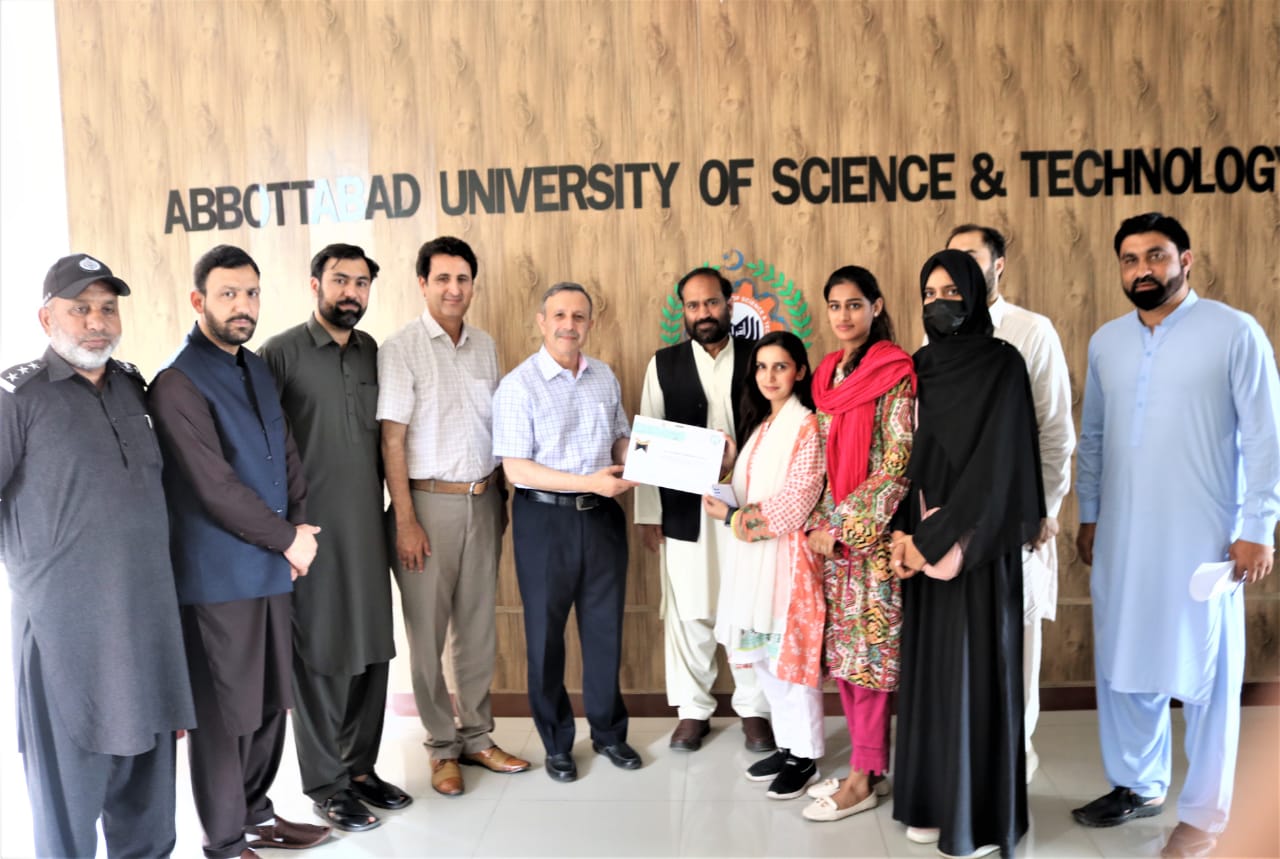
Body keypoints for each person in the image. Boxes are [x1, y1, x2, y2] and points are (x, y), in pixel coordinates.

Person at [1071, 213, 1280, 858]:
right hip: (1123, 532)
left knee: (1210, 673)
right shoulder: (1107, 342)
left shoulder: (1233, 331)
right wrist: (1089, 513)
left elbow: (1265, 436)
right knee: (1124, 660)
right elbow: (1094, 437)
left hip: (1206, 536)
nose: (1143, 270)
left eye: (1156, 256)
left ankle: (1206, 815)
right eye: (1131, 259)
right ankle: (1138, 784)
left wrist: (1259, 527)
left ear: (1185, 260)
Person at [0, 254, 195, 858]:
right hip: (66, 638)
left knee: (148, 800)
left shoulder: (134, 387)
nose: (96, 322)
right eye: (79, 308)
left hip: (146, 626)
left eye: (108, 308)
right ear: (46, 317)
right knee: (68, 803)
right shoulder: (17, 396)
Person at [150, 244, 331, 858]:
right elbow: (214, 487)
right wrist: (289, 540)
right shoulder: (176, 382)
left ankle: (256, 814)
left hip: (272, 568)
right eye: (228, 294)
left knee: (271, 704)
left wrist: (299, 531)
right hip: (217, 579)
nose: (242, 305)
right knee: (226, 716)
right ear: (198, 300)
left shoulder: (254, 367)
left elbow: (287, 454)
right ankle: (225, 841)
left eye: (251, 293)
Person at [889, 249, 1043, 859]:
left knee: (974, 673)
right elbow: (908, 457)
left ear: (976, 294)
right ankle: (930, 804)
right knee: (932, 675)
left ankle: (975, 819)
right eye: (929, 294)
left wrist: (933, 541)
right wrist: (904, 539)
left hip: (977, 545)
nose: (939, 303)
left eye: (952, 291)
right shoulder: (920, 365)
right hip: (921, 540)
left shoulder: (1003, 364)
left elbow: (998, 467)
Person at [258, 244, 409, 832]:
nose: (351, 292)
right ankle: (326, 784)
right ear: (315, 284)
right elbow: (260, 447)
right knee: (322, 656)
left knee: (372, 650)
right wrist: (281, 533)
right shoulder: (281, 353)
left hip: (368, 527)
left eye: (361, 282)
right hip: (312, 534)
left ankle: (361, 769)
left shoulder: (373, 351)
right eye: (340, 280)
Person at [376, 236, 529, 797]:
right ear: (423, 283)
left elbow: (498, 429)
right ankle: (442, 747)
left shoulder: (485, 346)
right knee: (427, 636)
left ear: (472, 286)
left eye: (462, 279)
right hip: (426, 506)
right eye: (442, 278)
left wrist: (501, 499)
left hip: (483, 500)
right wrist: (405, 521)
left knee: (477, 629)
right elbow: (392, 440)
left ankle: (477, 736)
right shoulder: (401, 348)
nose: (453, 289)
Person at [492, 282, 638, 783]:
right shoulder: (518, 385)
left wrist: (641, 457)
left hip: (602, 519)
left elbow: (618, 440)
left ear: (589, 324)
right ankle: (556, 743)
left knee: (604, 631)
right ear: (541, 320)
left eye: (578, 316)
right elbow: (516, 469)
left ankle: (609, 733)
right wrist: (590, 483)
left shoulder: (604, 376)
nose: (568, 325)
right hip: (544, 522)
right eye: (559, 315)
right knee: (544, 637)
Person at [945, 224, 1075, 780]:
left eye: (971, 257)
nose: (960, 270)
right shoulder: (937, 333)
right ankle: (969, 758)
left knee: (1014, 645)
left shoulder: (1030, 330)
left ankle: (1014, 760)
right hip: (953, 523)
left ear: (998, 265)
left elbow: (1055, 431)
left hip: (1015, 515)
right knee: (966, 645)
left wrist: (1045, 509)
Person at [634, 266, 774, 753]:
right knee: (690, 612)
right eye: (693, 305)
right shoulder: (664, 364)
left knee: (748, 609)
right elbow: (646, 442)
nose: (703, 313)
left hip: (747, 509)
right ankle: (693, 711)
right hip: (685, 510)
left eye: (711, 302)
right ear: (684, 311)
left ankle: (755, 710)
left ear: (728, 304)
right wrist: (649, 514)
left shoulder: (760, 358)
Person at [800, 267, 915, 822]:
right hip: (831, 542)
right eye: (835, 306)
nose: (843, 316)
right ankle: (870, 767)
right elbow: (822, 461)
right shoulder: (827, 375)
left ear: (877, 306)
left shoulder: (895, 372)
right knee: (845, 661)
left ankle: (863, 779)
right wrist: (820, 526)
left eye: (854, 304)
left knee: (870, 660)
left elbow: (897, 463)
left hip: (871, 540)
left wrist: (844, 529)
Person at [703, 330, 827, 801]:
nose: (769, 376)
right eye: (761, 367)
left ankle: (806, 757)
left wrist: (733, 517)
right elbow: (747, 491)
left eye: (780, 366)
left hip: (787, 564)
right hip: (754, 561)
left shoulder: (807, 426)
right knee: (766, 664)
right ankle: (789, 745)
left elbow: (795, 504)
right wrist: (724, 469)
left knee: (788, 664)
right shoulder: (761, 427)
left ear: (799, 371)